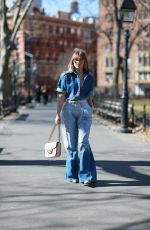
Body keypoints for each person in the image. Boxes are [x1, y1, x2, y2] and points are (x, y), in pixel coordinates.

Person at [55, 48, 97, 186]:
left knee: (83, 142)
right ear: (73, 61)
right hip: (69, 108)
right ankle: (72, 174)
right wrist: (57, 114)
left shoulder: (89, 77)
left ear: (85, 61)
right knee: (72, 145)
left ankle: (86, 176)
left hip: (85, 109)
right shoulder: (65, 76)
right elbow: (61, 97)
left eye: (80, 59)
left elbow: (90, 97)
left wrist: (91, 109)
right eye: (75, 59)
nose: (78, 62)